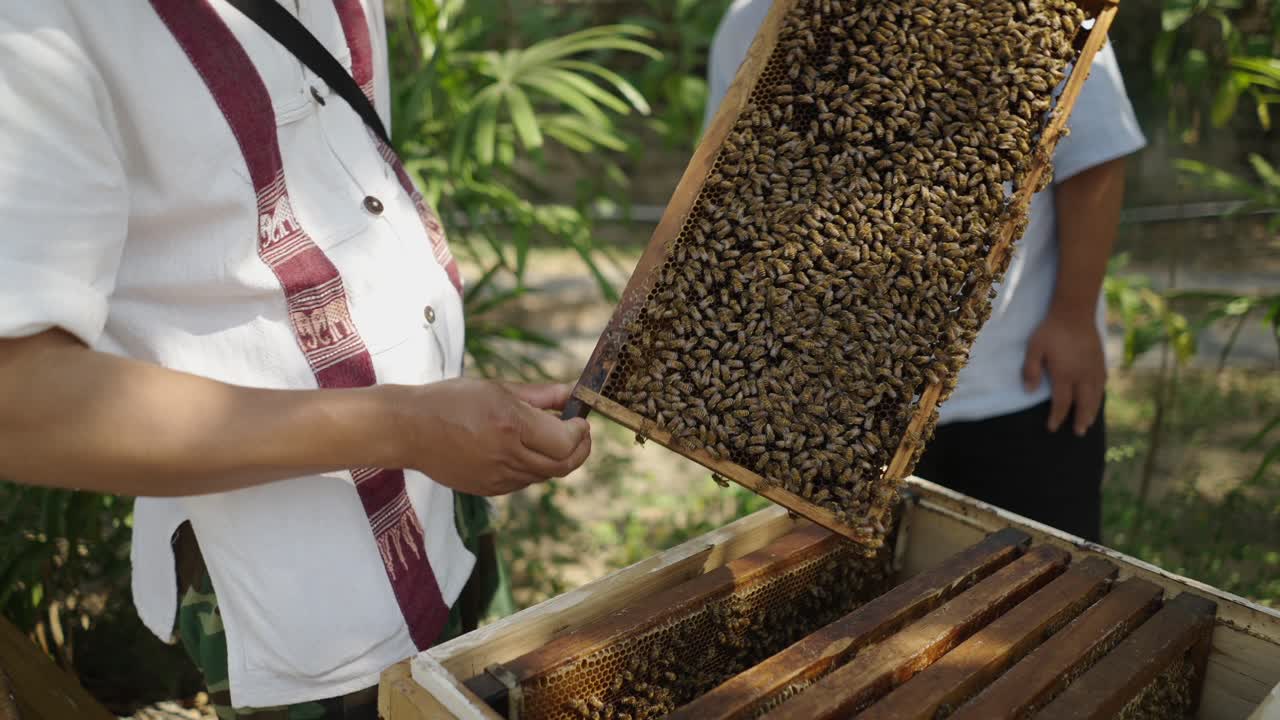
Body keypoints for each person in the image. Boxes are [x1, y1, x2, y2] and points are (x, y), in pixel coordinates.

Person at [0, 2, 591, 717]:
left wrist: (439, 415)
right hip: (300, 586)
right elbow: (18, 402)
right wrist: (404, 427)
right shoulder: (38, 21)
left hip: (447, 509)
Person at [704, 0, 1146, 542]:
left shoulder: (1036, 12)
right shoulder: (754, 23)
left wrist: (1073, 314)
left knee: (1038, 581)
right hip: (839, 402)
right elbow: (732, 191)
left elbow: (1096, 155)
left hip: (1017, 378)